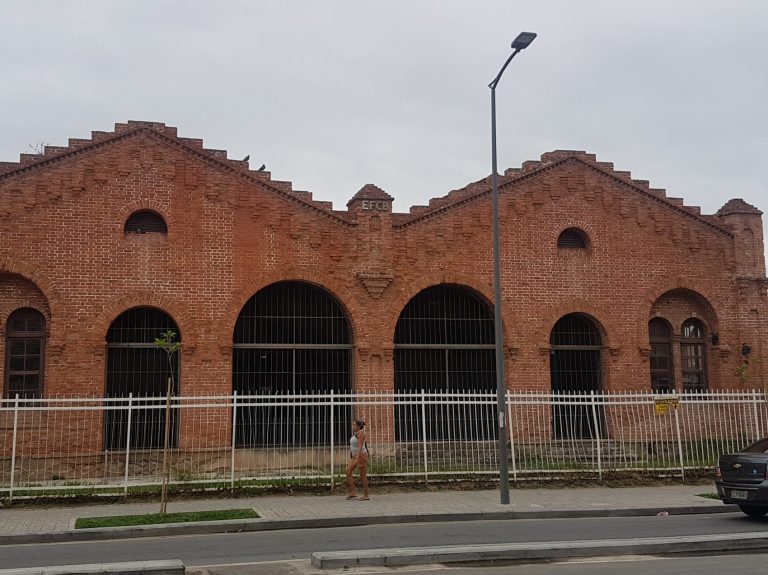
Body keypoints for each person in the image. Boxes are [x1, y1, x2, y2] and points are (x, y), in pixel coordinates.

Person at [346, 418, 370, 500]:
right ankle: (353, 492)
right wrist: (352, 455)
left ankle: (366, 495)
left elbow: (360, 446)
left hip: (361, 456)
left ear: (359, 426)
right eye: (352, 424)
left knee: (362, 475)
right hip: (355, 456)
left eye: (354, 425)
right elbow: (353, 446)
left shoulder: (361, 434)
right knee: (348, 471)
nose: (352, 426)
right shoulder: (355, 433)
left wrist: (357, 457)